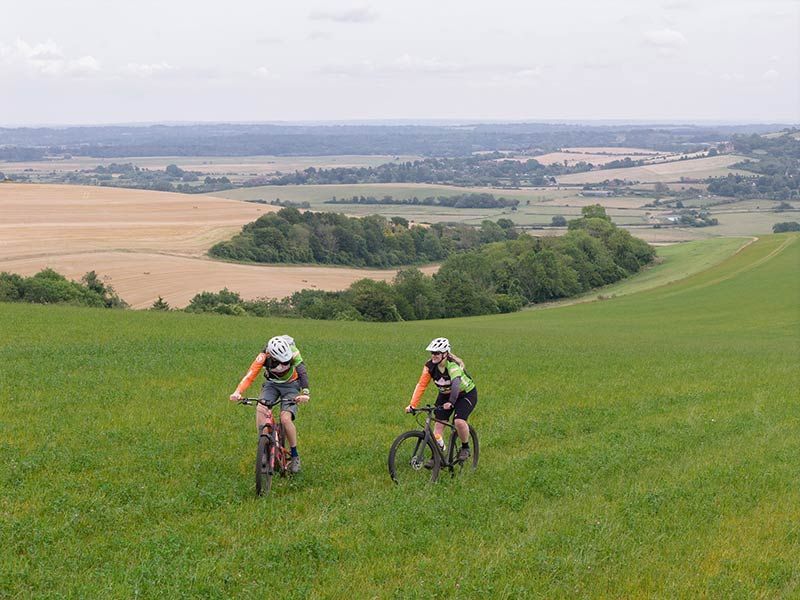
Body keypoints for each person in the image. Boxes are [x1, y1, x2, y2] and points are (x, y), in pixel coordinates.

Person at [230, 335, 310, 473]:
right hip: (271, 385)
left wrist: (305, 393)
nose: (284, 364)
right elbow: (251, 374)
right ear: (272, 356)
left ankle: (295, 455)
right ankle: (264, 446)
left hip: (291, 386)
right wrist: (237, 392)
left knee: (285, 419)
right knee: (261, 408)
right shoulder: (263, 357)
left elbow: (302, 372)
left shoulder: (293, 352)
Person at [405, 337, 477, 463]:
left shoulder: (452, 366)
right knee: (438, 426)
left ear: (445, 354)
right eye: (432, 353)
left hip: (465, 394)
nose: (434, 356)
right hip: (444, 395)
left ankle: (465, 447)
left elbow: (455, 385)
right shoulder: (429, 367)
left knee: (459, 421)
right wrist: (412, 405)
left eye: (437, 353)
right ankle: (438, 455)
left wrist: (451, 402)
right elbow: (421, 385)